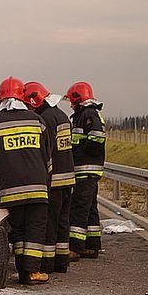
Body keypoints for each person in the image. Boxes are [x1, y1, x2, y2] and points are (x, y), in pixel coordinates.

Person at [0, 76, 53, 285]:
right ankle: (31, 272)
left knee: (19, 230)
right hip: (38, 186)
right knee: (36, 229)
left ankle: (23, 270)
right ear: (23, 96)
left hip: (11, 189)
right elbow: (48, 155)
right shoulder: (37, 120)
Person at [24, 81, 75, 274]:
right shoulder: (61, 116)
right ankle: (61, 262)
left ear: (34, 100)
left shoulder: (45, 119)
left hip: (54, 179)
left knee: (49, 223)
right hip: (68, 177)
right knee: (63, 221)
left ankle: (47, 263)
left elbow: (46, 152)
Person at [67, 81, 105, 259]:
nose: (70, 104)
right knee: (90, 208)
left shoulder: (88, 114)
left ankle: (75, 247)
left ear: (77, 98)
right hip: (88, 169)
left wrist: (81, 153)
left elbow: (96, 137)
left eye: (71, 100)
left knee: (79, 208)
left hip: (85, 169)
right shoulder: (85, 114)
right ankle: (92, 245)